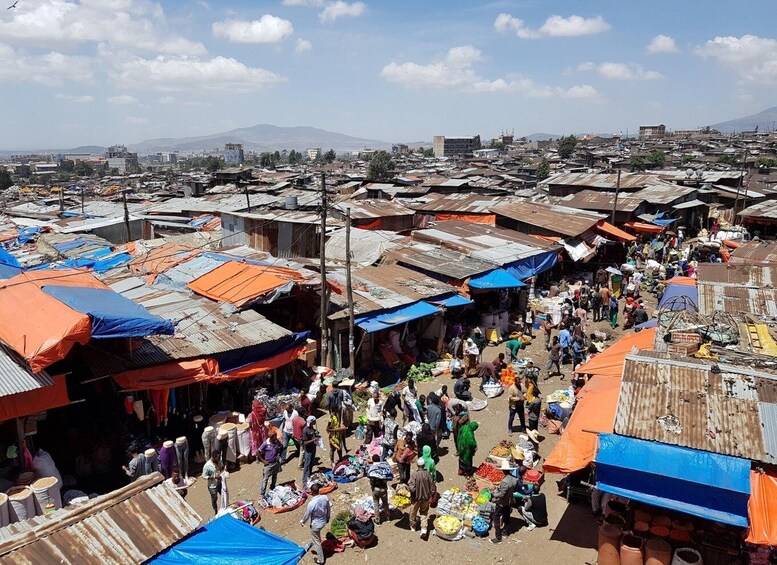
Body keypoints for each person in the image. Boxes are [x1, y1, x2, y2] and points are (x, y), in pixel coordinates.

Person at [490, 462, 520, 544]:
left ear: (503, 471)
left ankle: (498, 537)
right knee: (506, 516)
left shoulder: (504, 482)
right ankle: (506, 531)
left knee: (496, 518)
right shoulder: (514, 479)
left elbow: (501, 495)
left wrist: (493, 493)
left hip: (502, 503)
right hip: (509, 501)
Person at [300, 483, 331, 565]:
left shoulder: (311, 503)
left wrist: (302, 522)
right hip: (323, 521)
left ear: (311, 492)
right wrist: (328, 517)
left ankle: (321, 560)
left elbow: (307, 515)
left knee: (316, 541)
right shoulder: (325, 498)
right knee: (317, 537)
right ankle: (321, 549)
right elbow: (328, 508)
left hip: (316, 525)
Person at [407, 458, 437, 537]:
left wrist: (407, 488)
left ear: (417, 465)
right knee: (424, 513)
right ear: (423, 465)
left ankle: (413, 527)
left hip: (416, 499)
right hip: (426, 498)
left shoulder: (414, 475)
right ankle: (424, 529)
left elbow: (412, 488)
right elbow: (432, 488)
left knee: (412, 513)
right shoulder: (428, 474)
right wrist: (431, 495)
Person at [258, 429, 282, 496]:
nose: (276, 438)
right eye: (274, 437)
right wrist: (263, 461)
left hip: (275, 462)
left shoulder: (277, 441)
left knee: (275, 476)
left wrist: (279, 454)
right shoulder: (266, 444)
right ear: (271, 437)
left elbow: (280, 447)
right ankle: (262, 494)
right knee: (265, 480)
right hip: (268, 464)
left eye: (276, 436)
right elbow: (258, 452)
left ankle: (273, 487)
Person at [368, 454, 391, 525]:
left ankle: (377, 521)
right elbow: (388, 476)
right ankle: (388, 518)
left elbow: (371, 480)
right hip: (383, 488)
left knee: (376, 504)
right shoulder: (384, 467)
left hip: (376, 489)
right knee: (385, 503)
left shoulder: (372, 468)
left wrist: (372, 486)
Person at [302, 416, 320, 485]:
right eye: (314, 421)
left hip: (313, 448)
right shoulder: (305, 430)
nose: (315, 422)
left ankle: (309, 475)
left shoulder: (312, 428)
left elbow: (313, 435)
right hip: (308, 450)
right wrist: (313, 440)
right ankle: (304, 480)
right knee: (307, 465)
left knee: (311, 463)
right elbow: (305, 442)